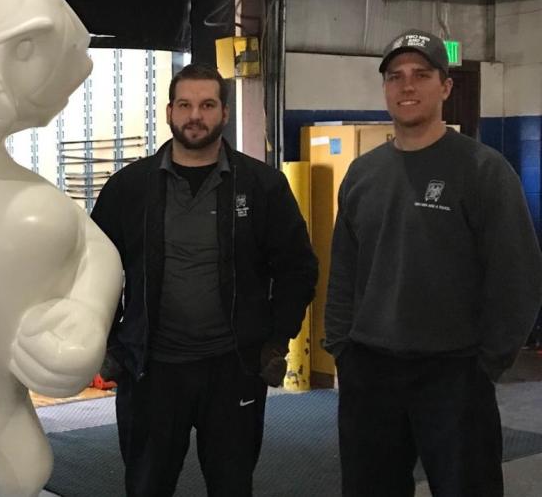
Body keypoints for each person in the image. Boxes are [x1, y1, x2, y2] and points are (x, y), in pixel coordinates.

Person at [325, 29, 542, 497]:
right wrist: (342, 345)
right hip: (371, 372)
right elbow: (343, 269)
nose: (407, 86)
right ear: (384, 88)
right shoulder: (363, 174)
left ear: (445, 87)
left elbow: (518, 275)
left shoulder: (483, 171)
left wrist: (488, 362)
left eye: (421, 75)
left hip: (455, 374)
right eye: (396, 76)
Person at [91, 63, 318, 496]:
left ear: (225, 114)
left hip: (233, 369)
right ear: (169, 112)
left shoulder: (262, 185)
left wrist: (274, 340)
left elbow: (298, 267)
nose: (196, 115)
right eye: (186, 105)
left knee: (232, 485)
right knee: (146, 486)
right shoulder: (129, 188)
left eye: (208, 105)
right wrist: (109, 342)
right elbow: (91, 267)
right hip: (151, 372)